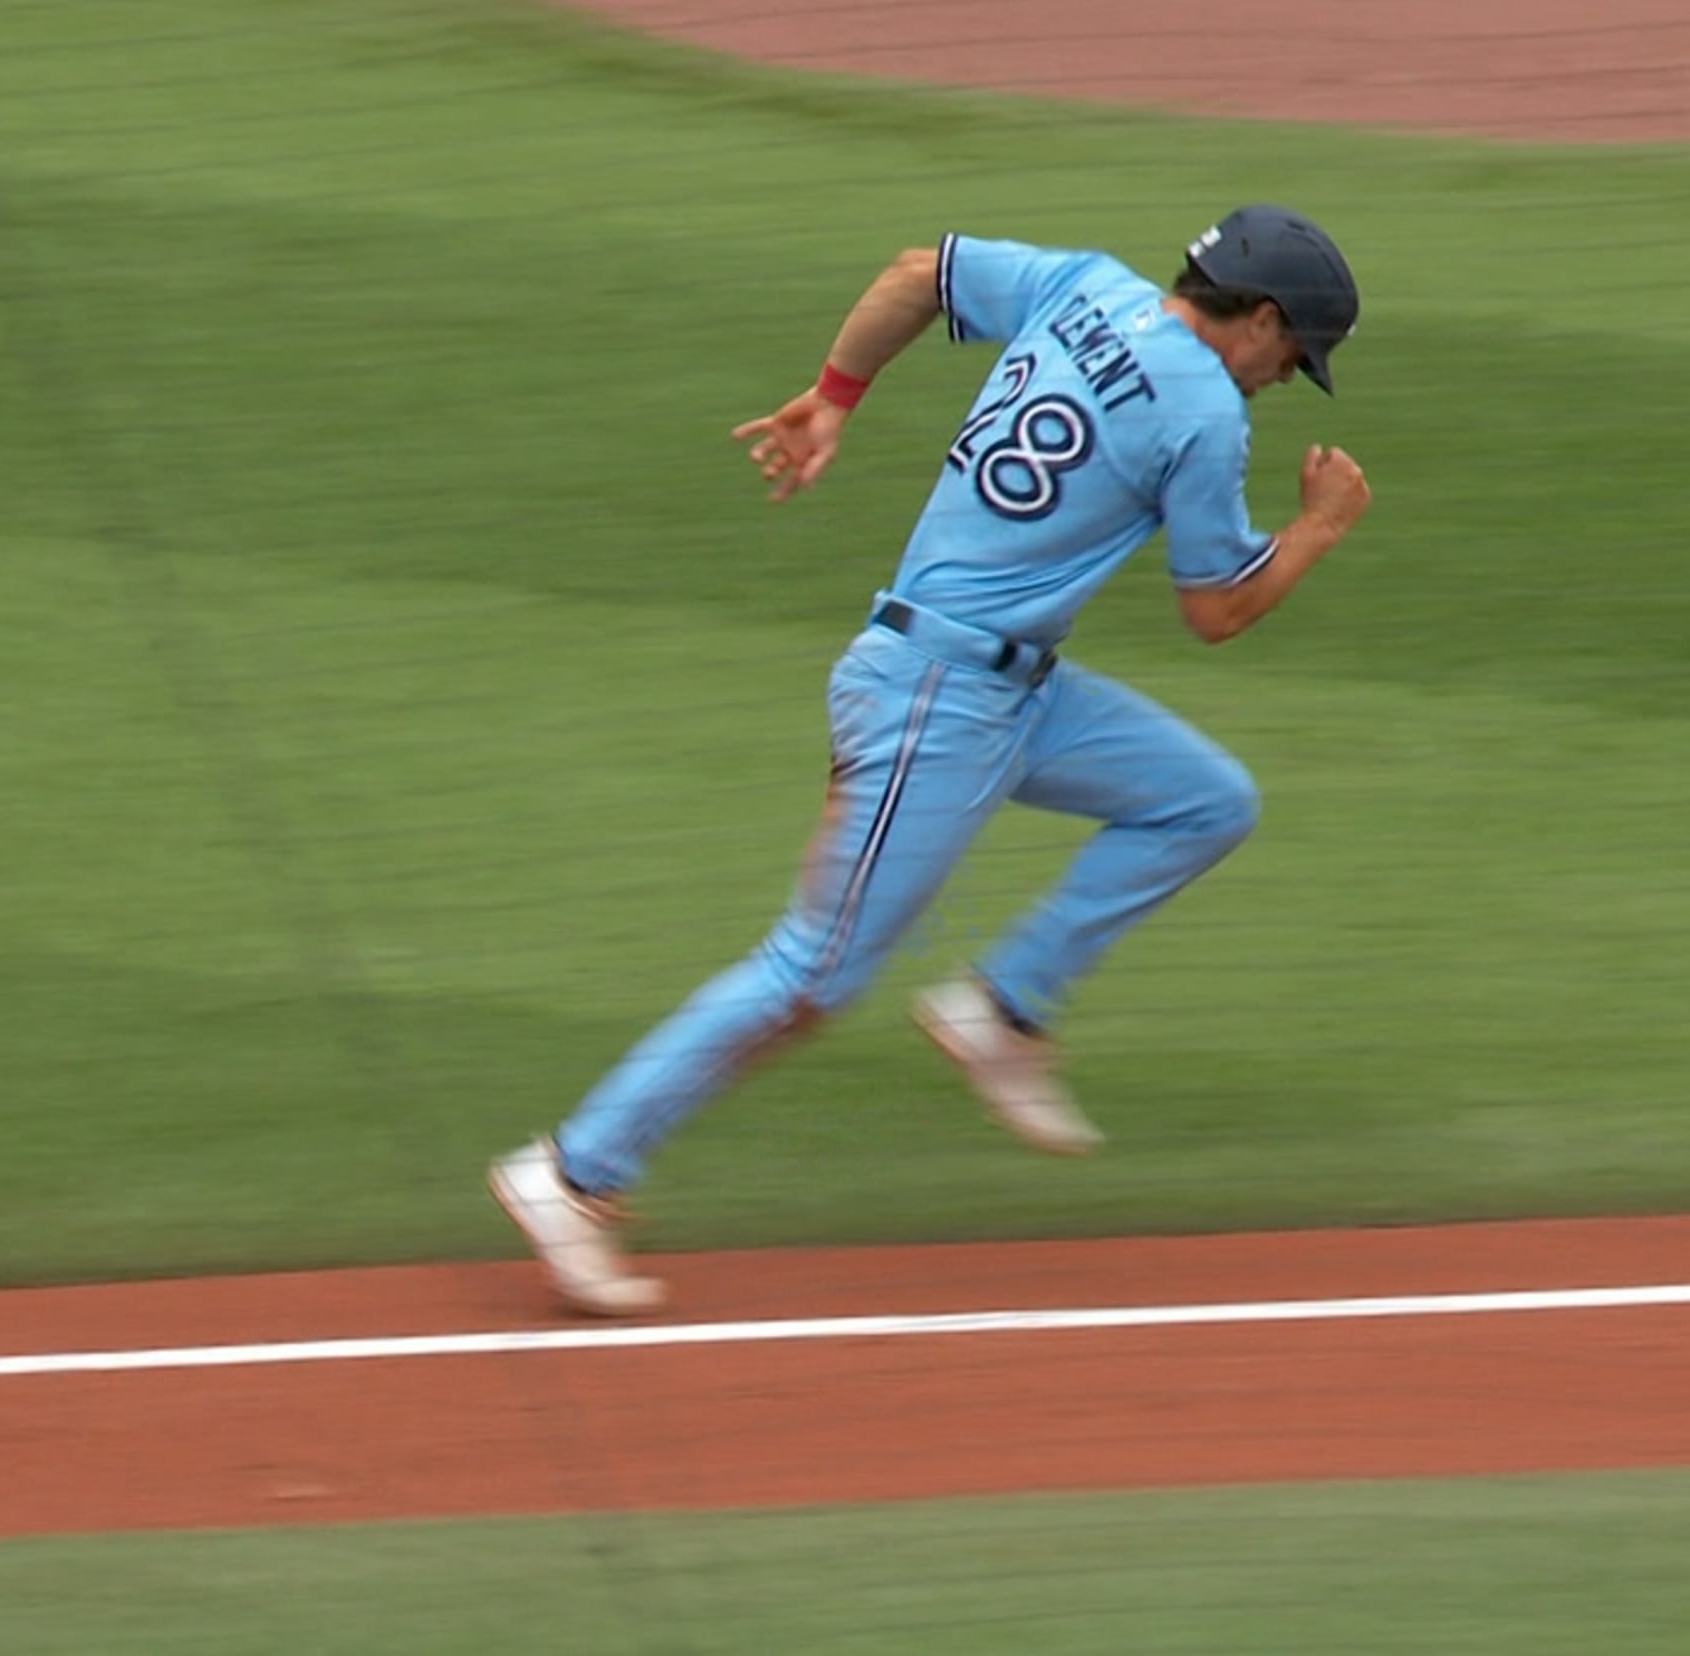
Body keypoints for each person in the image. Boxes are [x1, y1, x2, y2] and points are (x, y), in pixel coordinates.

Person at [489, 206, 1373, 1315]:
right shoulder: (1203, 411)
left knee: (1201, 801)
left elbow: (918, 271)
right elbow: (1218, 610)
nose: (1286, 378)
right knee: (814, 973)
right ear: (1260, 320)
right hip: (937, 706)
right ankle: (573, 1172)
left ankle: (1003, 1009)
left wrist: (834, 397)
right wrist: (1321, 527)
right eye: (1295, 356)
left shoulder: (1084, 286)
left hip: (1006, 691)